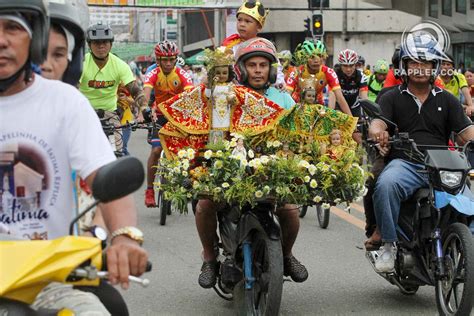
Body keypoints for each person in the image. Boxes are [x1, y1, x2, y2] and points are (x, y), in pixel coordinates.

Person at [0, 1, 148, 315]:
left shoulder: (65, 102)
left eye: (12, 28)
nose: (1, 40)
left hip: (47, 282)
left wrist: (124, 236)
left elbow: (105, 174)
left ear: (36, 38)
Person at [368, 32, 474, 272]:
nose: (419, 68)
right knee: (385, 185)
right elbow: (378, 123)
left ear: (434, 66)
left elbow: (467, 132)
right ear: (404, 66)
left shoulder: (447, 99)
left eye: (424, 63)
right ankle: (388, 244)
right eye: (413, 62)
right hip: (405, 163)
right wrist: (378, 132)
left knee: (470, 202)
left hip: (443, 165)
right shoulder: (391, 97)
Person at [79, 22, 147, 154]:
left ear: (111, 44)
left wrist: (145, 108)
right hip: (84, 115)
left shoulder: (120, 65)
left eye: (105, 42)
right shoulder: (82, 63)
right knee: (82, 154)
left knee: (115, 154)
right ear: (89, 45)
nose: (101, 46)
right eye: (96, 42)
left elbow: (135, 90)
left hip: (110, 116)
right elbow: (72, 89)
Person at [142, 40, 193, 207]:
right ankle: (150, 190)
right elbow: (146, 92)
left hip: (178, 116)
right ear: (158, 61)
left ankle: (184, 185)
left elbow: (190, 95)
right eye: (165, 60)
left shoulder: (182, 74)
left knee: (182, 153)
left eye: (172, 59)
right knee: (156, 150)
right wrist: (144, 108)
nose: (169, 63)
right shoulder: (153, 73)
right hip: (160, 116)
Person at [287, 40, 353, 117]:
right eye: (312, 57)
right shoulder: (297, 72)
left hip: (317, 106)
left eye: (320, 56)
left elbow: (340, 97)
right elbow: (287, 94)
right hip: (297, 106)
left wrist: (352, 119)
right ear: (305, 58)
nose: (316, 60)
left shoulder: (328, 72)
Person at [334, 49, 368, 117]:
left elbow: (364, 98)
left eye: (351, 65)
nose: (348, 69)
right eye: (345, 66)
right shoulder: (335, 75)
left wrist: (368, 112)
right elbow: (333, 96)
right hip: (339, 107)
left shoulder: (361, 76)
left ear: (355, 65)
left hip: (354, 107)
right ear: (341, 65)